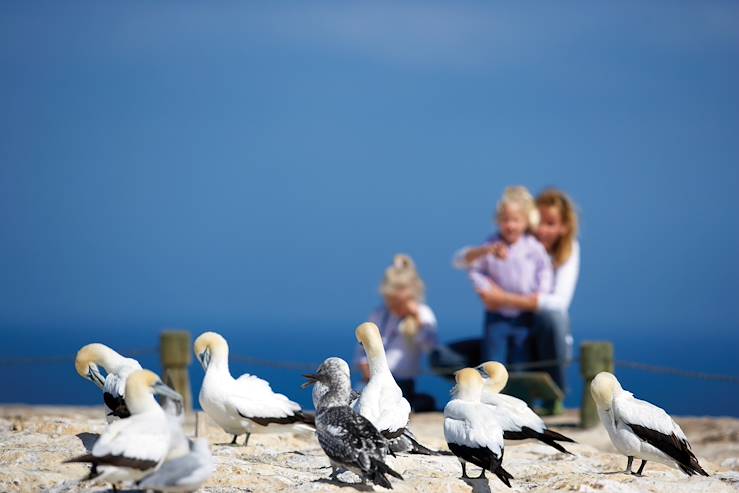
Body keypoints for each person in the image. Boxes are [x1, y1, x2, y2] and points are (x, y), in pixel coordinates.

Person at [455, 186, 553, 370]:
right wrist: (485, 288)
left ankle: (520, 397)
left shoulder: (533, 247)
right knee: (493, 362)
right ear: (498, 221)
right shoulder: (491, 244)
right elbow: (474, 268)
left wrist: (540, 293)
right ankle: (491, 398)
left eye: (516, 220)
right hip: (497, 315)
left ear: (526, 222)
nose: (510, 225)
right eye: (505, 220)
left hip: (524, 316)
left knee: (521, 363)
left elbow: (544, 270)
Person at [354, 254, 438, 411]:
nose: (395, 307)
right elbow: (360, 352)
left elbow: (431, 348)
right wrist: (367, 370)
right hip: (373, 380)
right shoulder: (380, 314)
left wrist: (416, 318)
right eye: (391, 301)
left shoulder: (423, 314)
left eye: (400, 302)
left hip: (402, 382)